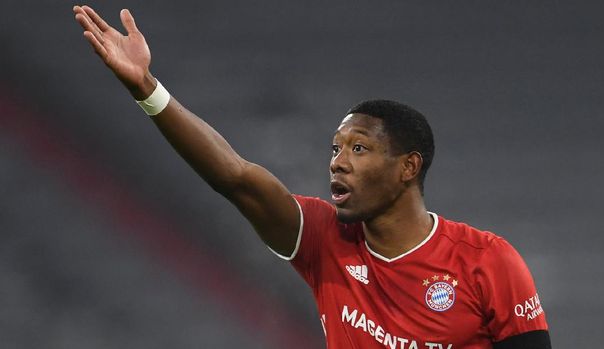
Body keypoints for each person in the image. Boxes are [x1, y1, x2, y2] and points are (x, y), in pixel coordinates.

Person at [73, 5, 551, 348]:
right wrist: (147, 89)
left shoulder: (486, 262)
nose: (337, 162)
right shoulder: (325, 239)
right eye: (335, 149)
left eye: (359, 149)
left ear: (408, 166)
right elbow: (237, 179)